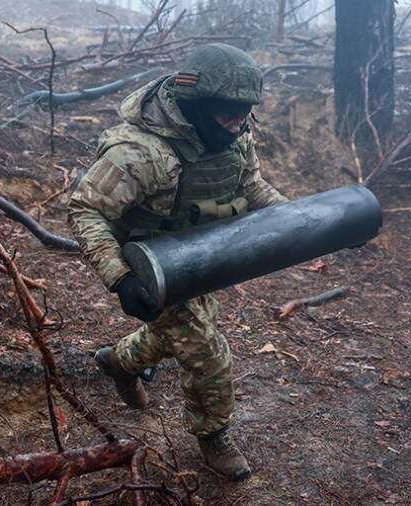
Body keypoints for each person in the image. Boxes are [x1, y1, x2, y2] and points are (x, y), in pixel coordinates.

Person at [67, 43, 287, 481]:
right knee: (207, 352)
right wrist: (121, 278)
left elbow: (255, 189)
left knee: (179, 337)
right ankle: (213, 435)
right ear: (195, 104)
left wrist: (316, 222)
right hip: (152, 268)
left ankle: (118, 361)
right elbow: (86, 210)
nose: (238, 120)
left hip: (204, 260)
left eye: (244, 110)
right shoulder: (138, 152)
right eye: (227, 111)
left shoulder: (234, 135)